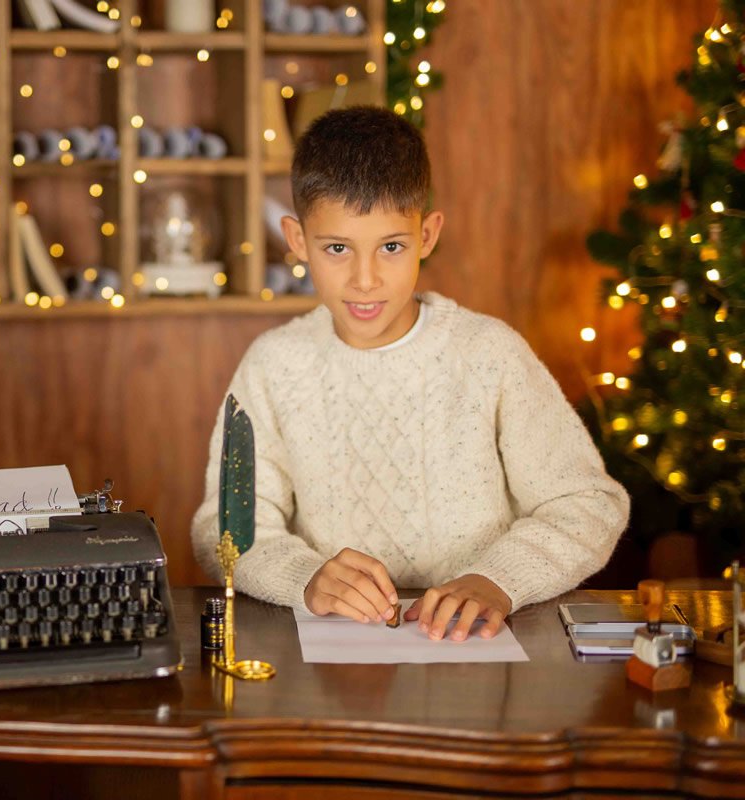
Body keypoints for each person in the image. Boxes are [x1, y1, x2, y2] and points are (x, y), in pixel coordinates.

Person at [191, 106, 629, 642]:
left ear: (427, 235)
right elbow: (224, 527)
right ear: (298, 240)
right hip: (334, 657)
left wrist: (498, 579)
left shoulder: (490, 354)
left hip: (476, 649)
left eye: (392, 247)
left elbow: (588, 504)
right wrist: (302, 577)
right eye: (337, 248)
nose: (365, 279)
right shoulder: (273, 365)